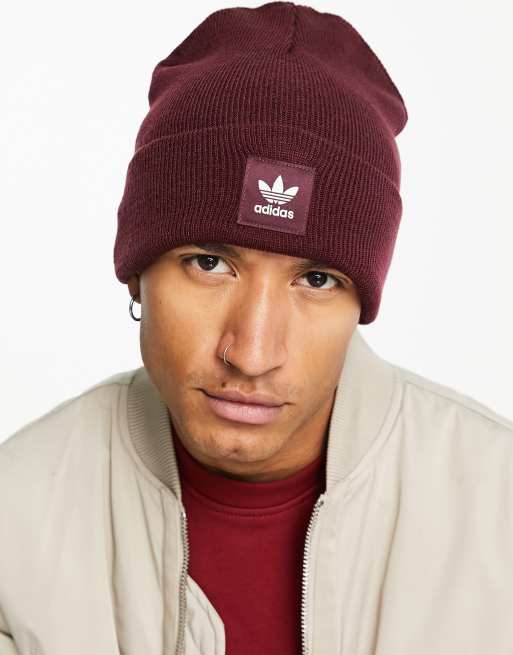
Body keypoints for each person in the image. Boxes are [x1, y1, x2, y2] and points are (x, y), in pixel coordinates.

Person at [1, 2, 512, 654]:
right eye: (208, 263)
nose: (251, 352)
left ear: (361, 300)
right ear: (135, 274)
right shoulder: (13, 528)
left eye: (317, 278)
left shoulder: (499, 513)